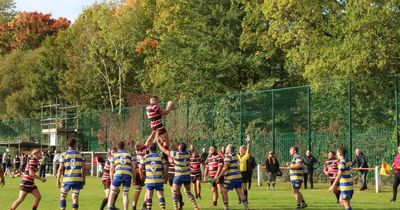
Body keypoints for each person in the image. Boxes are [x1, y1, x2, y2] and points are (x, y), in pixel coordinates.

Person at [156, 134, 200, 210]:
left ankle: (176, 207)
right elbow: (192, 148)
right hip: (187, 176)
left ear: (179, 148)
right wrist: (190, 142)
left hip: (178, 176)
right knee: (188, 192)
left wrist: (158, 142)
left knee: (174, 192)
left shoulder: (176, 154)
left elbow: (163, 150)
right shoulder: (188, 154)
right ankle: (195, 206)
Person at [214, 143, 249, 210]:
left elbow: (225, 168)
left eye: (226, 147)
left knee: (223, 191)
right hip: (238, 177)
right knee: (240, 192)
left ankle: (226, 207)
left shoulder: (228, 156)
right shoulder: (236, 156)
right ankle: (246, 207)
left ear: (229, 149)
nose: (225, 149)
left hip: (231, 178)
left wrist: (218, 177)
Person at [57, 138, 86, 210]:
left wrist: (58, 180)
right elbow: (83, 168)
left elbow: (60, 169)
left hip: (67, 179)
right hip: (78, 179)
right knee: (75, 197)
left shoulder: (64, 154)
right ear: (75, 144)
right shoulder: (80, 154)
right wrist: (84, 179)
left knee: (63, 196)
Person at [108, 141, 137, 210]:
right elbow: (134, 167)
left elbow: (111, 170)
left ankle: (109, 208)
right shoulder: (129, 155)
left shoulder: (114, 155)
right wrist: (134, 178)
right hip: (127, 175)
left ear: (117, 147)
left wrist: (112, 180)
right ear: (124, 147)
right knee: (125, 194)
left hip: (118, 174)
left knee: (112, 192)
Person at [132, 131, 156, 210]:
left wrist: (154, 134)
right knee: (148, 189)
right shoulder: (145, 150)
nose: (143, 143)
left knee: (138, 190)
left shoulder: (137, 151)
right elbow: (149, 141)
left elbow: (149, 141)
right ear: (140, 146)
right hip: (145, 171)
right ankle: (144, 205)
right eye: (141, 143)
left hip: (138, 171)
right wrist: (154, 133)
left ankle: (134, 206)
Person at [140, 143, 167, 210]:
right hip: (159, 179)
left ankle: (149, 208)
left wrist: (142, 175)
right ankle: (163, 209)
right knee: (161, 195)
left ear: (149, 149)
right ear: (156, 149)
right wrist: (165, 175)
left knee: (149, 196)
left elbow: (140, 168)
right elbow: (165, 167)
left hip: (149, 180)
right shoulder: (160, 156)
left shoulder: (146, 157)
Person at [238, 136, 251, 203]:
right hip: (237, 173)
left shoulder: (245, 156)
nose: (240, 150)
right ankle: (240, 199)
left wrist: (248, 143)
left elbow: (248, 150)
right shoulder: (237, 156)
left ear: (244, 150)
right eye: (240, 149)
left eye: (242, 149)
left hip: (243, 173)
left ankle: (245, 200)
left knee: (244, 187)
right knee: (238, 187)